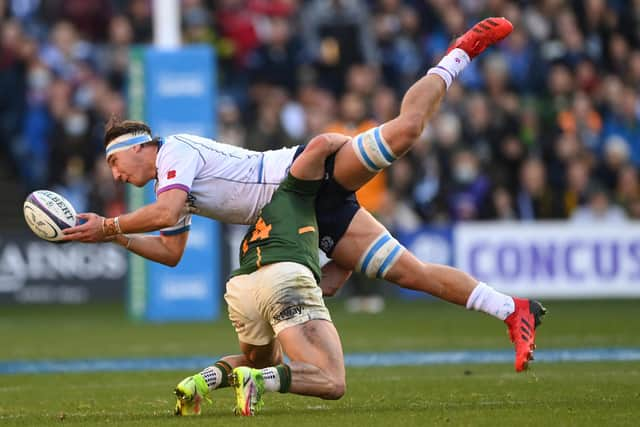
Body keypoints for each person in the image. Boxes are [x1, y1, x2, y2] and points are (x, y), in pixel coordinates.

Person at [63, 18, 545, 372]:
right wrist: (115, 239)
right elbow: (170, 251)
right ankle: (512, 308)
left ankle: (460, 50)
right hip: (305, 214)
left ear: (141, 147)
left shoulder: (175, 152)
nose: (116, 175)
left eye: (114, 162)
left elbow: (163, 212)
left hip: (303, 178)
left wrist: (108, 226)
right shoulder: (174, 183)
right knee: (411, 273)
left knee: (403, 133)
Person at [173, 132, 351, 416]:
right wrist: (358, 149)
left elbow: (327, 284)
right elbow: (321, 144)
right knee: (330, 379)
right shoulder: (297, 188)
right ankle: (259, 382)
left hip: (242, 285)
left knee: (260, 359)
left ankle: (199, 383)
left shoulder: (262, 210)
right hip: (283, 277)